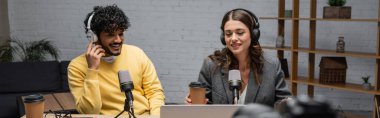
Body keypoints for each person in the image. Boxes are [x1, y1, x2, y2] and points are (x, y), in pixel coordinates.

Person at [68, 5, 165, 116]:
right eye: (110, 35)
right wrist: (92, 69)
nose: (118, 40)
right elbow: (89, 112)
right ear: (93, 37)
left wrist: (156, 116)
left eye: (121, 34)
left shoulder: (137, 53)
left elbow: (155, 92)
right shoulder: (76, 67)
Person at [185, 8, 291, 106]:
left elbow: (282, 102)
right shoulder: (211, 65)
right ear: (223, 37)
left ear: (253, 34)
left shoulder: (271, 65)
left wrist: (287, 104)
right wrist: (195, 104)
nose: (233, 38)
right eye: (228, 34)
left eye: (240, 33)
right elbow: (204, 105)